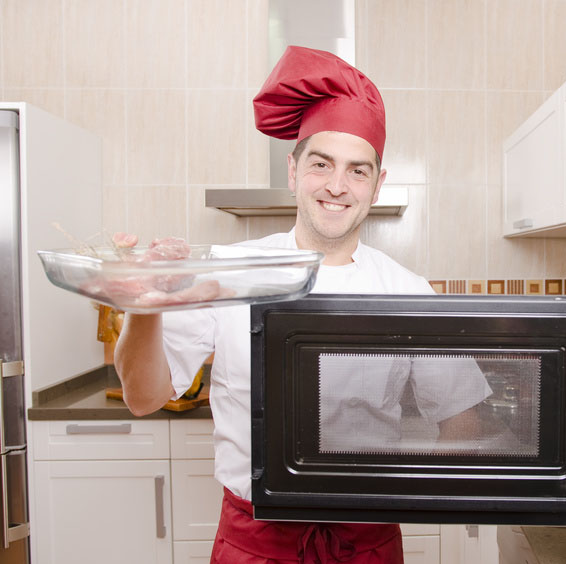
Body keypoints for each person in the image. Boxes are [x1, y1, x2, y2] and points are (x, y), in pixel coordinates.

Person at [114, 46, 491, 564]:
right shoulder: (227, 274)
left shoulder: (407, 291)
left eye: (358, 171)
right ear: (293, 171)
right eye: (322, 165)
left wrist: (410, 476)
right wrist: (143, 307)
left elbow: (462, 420)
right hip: (254, 541)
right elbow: (142, 397)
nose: (338, 186)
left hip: (367, 539)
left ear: (377, 186)